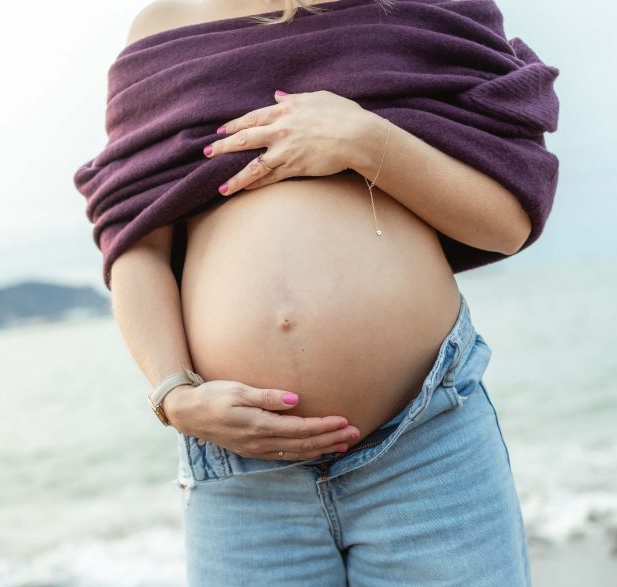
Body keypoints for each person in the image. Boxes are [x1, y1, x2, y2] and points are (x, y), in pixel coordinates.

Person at [107, 1, 535, 585]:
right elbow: (135, 244)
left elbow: (506, 223)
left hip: (427, 448)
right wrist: (173, 394)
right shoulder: (163, 26)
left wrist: (367, 141)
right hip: (244, 480)